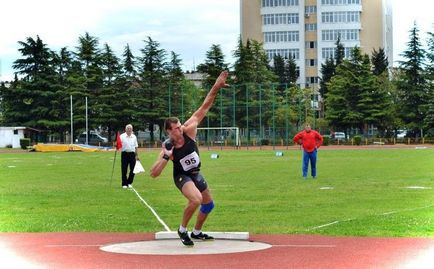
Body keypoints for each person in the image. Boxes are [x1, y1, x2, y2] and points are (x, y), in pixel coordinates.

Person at [150, 71, 229, 246]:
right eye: (177, 128)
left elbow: (205, 106)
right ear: (169, 131)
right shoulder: (168, 146)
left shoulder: (190, 129)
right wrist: (166, 156)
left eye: (180, 125)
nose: (180, 129)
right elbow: (153, 173)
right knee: (196, 200)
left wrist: (216, 86)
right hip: (181, 176)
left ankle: (197, 232)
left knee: (208, 204)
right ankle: (182, 229)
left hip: (195, 173)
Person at [120, 124, 139, 189]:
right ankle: (124, 183)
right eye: (128, 128)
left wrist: (137, 155)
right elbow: (118, 144)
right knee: (124, 169)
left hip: (132, 154)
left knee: (133, 169)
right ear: (125, 129)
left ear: (132, 129)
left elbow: (136, 146)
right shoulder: (122, 136)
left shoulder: (134, 137)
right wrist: (117, 146)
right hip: (124, 154)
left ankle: (129, 182)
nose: (129, 129)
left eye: (130, 128)